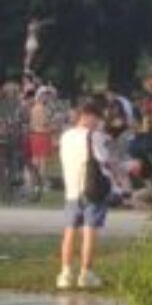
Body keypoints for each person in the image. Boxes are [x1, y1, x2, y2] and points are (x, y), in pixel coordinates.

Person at [57, 97, 111, 290]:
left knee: (69, 231)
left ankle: (65, 274)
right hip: (91, 190)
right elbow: (104, 159)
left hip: (71, 190)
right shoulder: (93, 136)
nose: (97, 122)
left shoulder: (65, 136)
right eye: (96, 118)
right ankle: (86, 273)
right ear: (86, 116)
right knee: (89, 231)